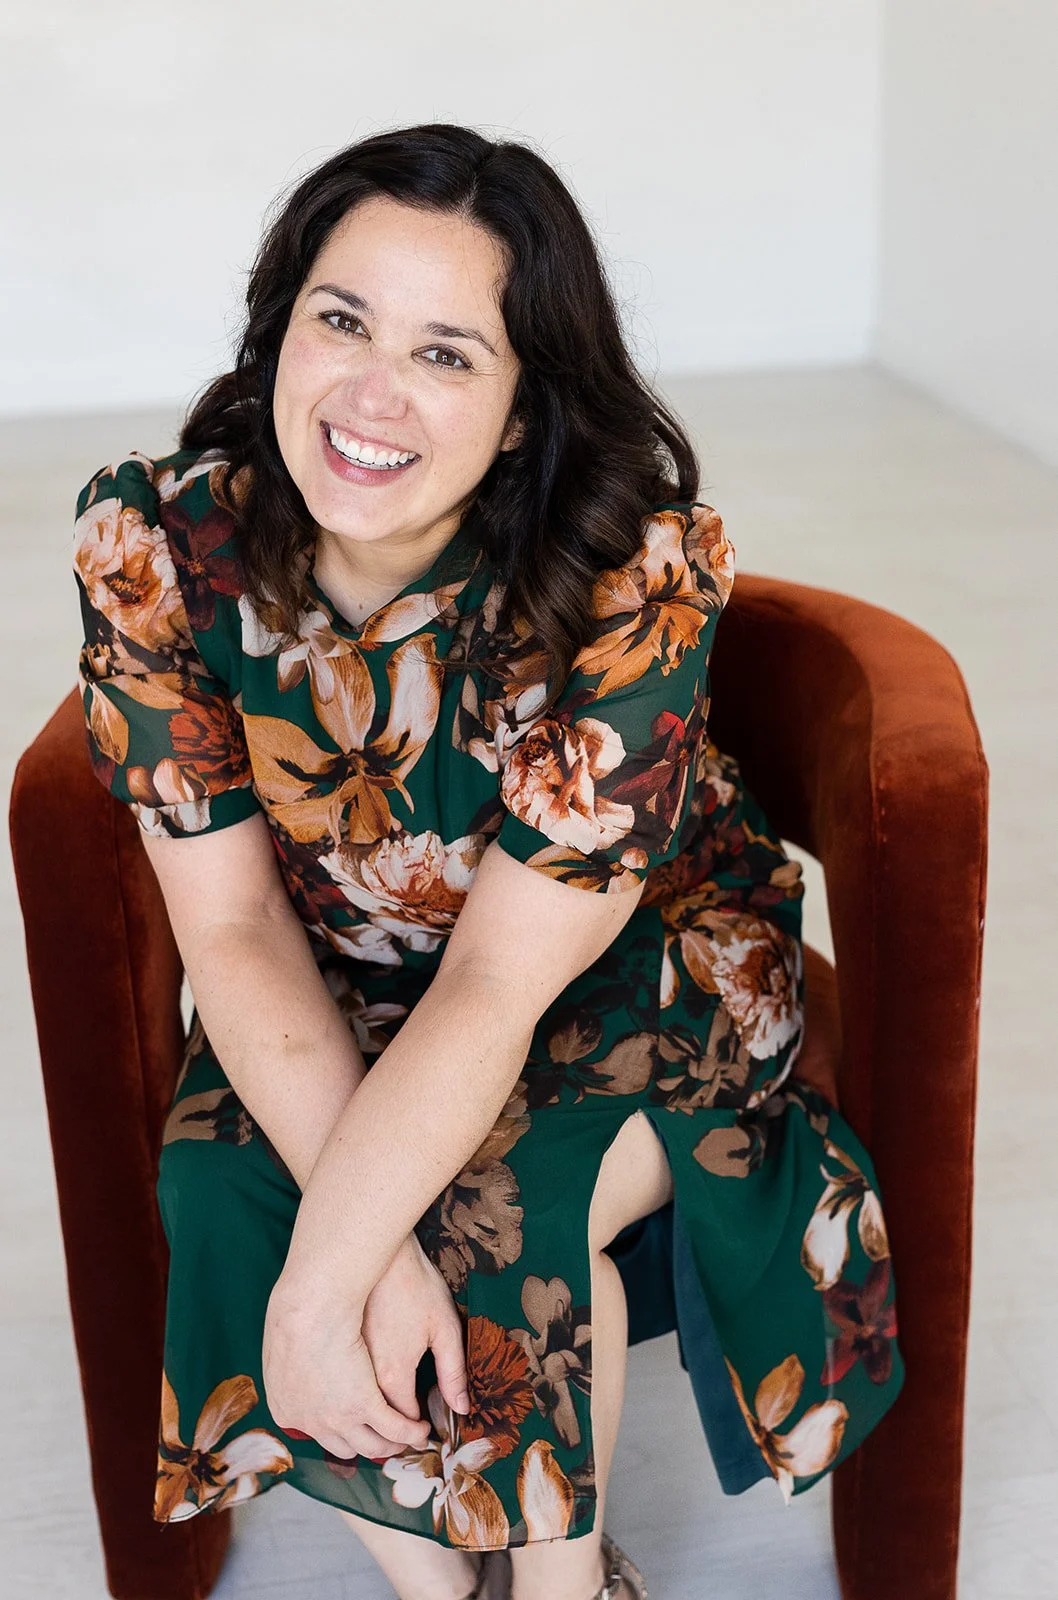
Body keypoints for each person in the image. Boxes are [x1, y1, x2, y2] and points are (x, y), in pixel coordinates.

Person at [70, 122, 904, 1600]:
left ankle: (568, 1591)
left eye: (449, 354)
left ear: (523, 410)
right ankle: (442, 1590)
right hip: (345, 959)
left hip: (640, 960)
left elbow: (504, 980)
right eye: (340, 321)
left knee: (493, 1186)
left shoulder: (635, 575)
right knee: (217, 1183)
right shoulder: (158, 547)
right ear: (279, 329)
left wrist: (337, 1272)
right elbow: (239, 933)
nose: (371, 392)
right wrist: (346, 1258)